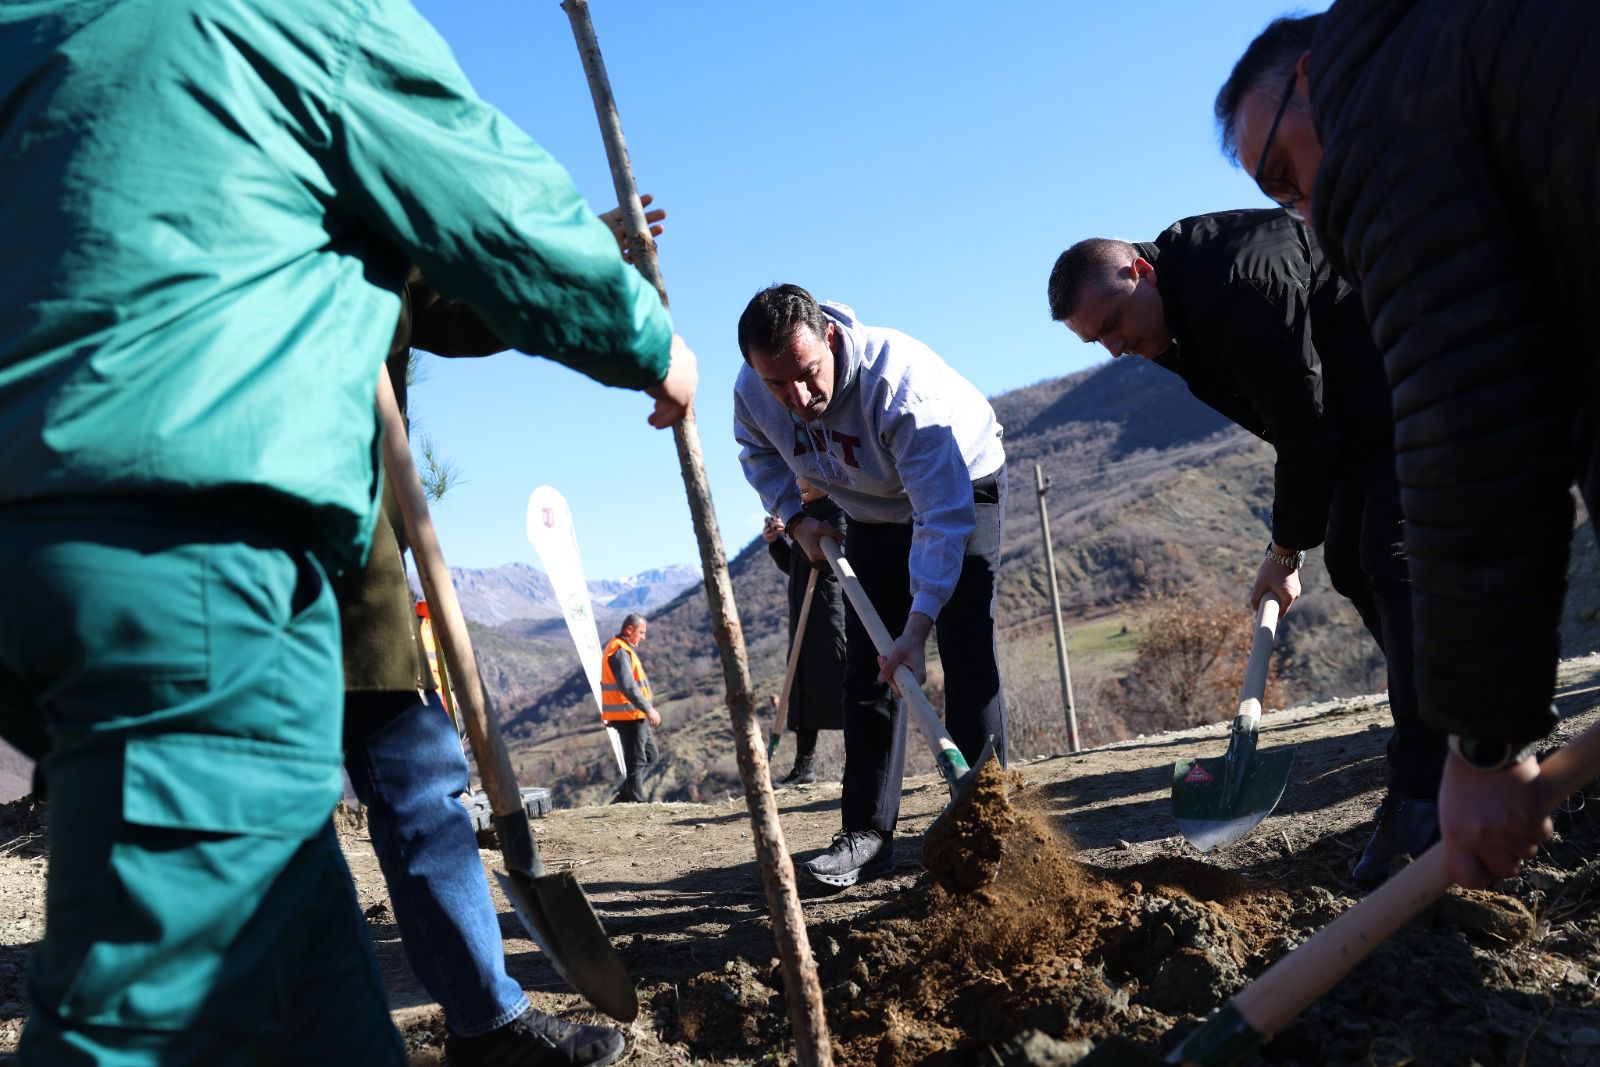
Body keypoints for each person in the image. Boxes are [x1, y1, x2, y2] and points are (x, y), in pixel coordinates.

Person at [0, 1, 696, 1062]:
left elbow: (445, 280)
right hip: (180, 534)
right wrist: (645, 337)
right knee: (150, 1010)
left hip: (40, 547)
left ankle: (477, 1014)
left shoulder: (37, 31)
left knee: (306, 940)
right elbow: (490, 214)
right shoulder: (303, 21)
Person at [1216, 5, 1599, 889]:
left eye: (1288, 175)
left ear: (1311, 78)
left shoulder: (1386, 127)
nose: (1308, 216)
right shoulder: (1465, 51)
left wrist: (1483, 742)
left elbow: (1474, 428)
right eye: (1280, 201)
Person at [1047, 212, 1448, 886]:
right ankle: (1450, 722)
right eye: (1100, 342)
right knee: (1353, 561)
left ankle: (1428, 780)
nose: (1116, 348)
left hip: (1418, 369)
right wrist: (1298, 542)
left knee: (1389, 559)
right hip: (1360, 417)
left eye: (1115, 324)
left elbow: (1303, 424)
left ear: (1138, 271)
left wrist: (1285, 549)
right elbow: (1293, 421)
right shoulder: (1174, 319)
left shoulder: (1239, 286)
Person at [734, 284, 1008, 889]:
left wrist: (917, 624)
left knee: (964, 651)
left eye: (807, 374)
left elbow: (941, 516)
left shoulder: (897, 386)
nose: (798, 398)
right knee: (870, 670)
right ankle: (868, 834)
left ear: (829, 339)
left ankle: (989, 823)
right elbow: (757, 452)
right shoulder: (755, 390)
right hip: (869, 509)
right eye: (780, 385)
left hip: (961, 486)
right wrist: (797, 516)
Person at [762, 477, 849, 785]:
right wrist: (777, 543)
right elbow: (795, 566)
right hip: (802, 618)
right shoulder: (801, 518)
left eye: (807, 478)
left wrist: (799, 533)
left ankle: (859, 761)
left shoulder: (838, 515)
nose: (799, 483)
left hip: (829, 617)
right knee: (803, 689)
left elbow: (828, 563)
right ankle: (804, 766)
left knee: (841, 685)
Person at [601, 615, 660, 804]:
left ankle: (624, 796)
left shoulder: (623, 649)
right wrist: (649, 708)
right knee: (636, 761)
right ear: (629, 630)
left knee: (650, 755)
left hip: (633, 714)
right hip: (628, 715)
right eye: (641, 632)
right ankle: (636, 803)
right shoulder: (619, 652)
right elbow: (628, 686)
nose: (643, 637)